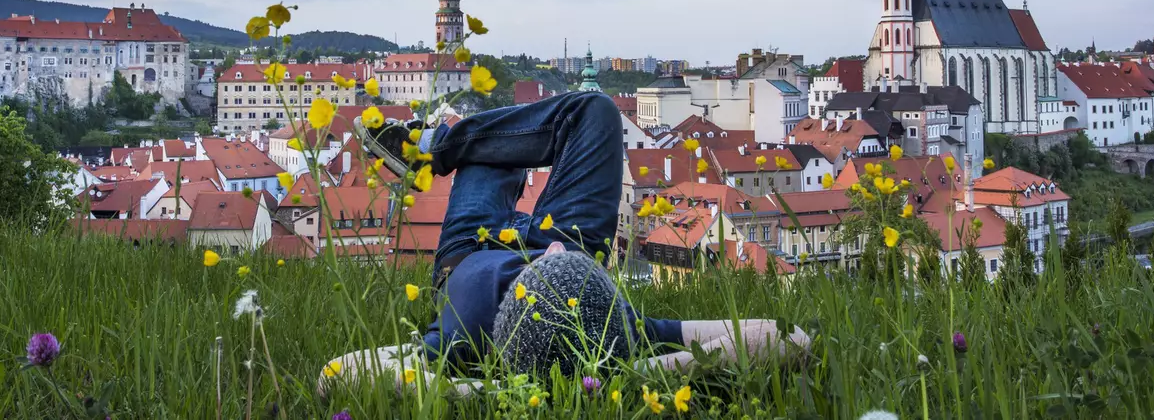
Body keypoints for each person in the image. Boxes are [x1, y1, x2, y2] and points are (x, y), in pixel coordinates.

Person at [319, 91, 808, 394]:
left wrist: (473, 394)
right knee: (594, 110)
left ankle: (435, 149)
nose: (545, 252)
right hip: (574, 248)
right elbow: (789, 337)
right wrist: (626, 376)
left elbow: (335, 375)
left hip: (470, 247)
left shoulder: (457, 343)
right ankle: (434, 147)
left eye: (542, 267)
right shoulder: (610, 331)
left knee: (496, 158)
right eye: (564, 264)